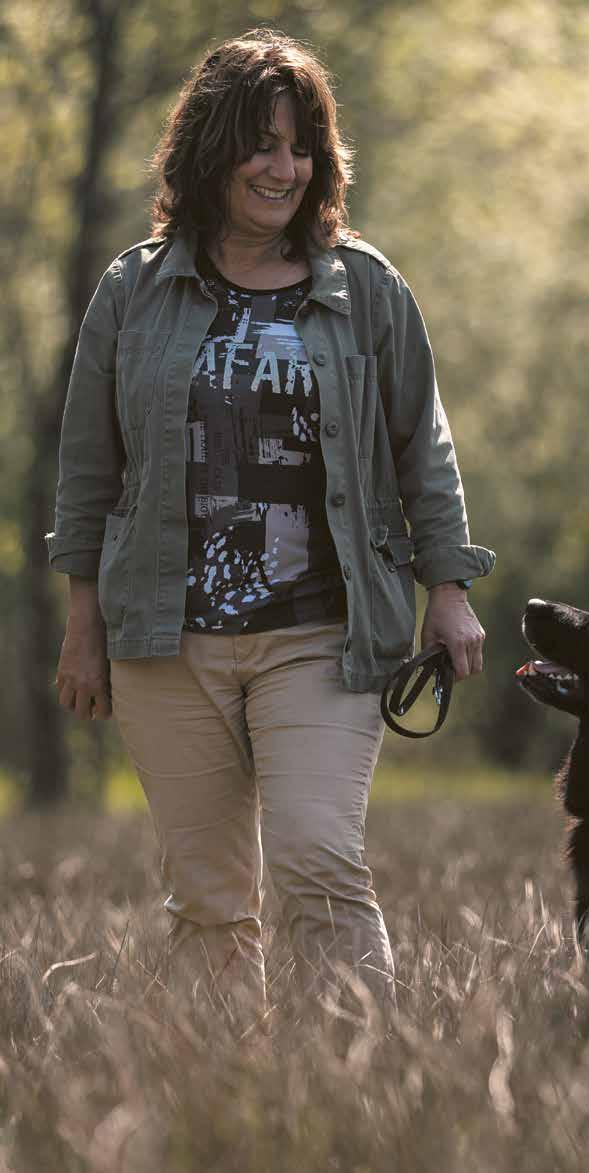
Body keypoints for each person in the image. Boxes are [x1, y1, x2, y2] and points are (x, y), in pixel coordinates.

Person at [47, 29, 495, 1017]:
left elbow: (422, 445)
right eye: (260, 145)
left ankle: (361, 1082)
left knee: (318, 859)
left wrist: (448, 588)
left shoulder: (365, 288)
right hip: (166, 637)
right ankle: (232, 1091)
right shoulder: (133, 290)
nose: (282, 168)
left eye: (299, 147)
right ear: (210, 151)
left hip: (322, 632)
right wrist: (83, 625)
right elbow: (88, 471)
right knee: (208, 897)